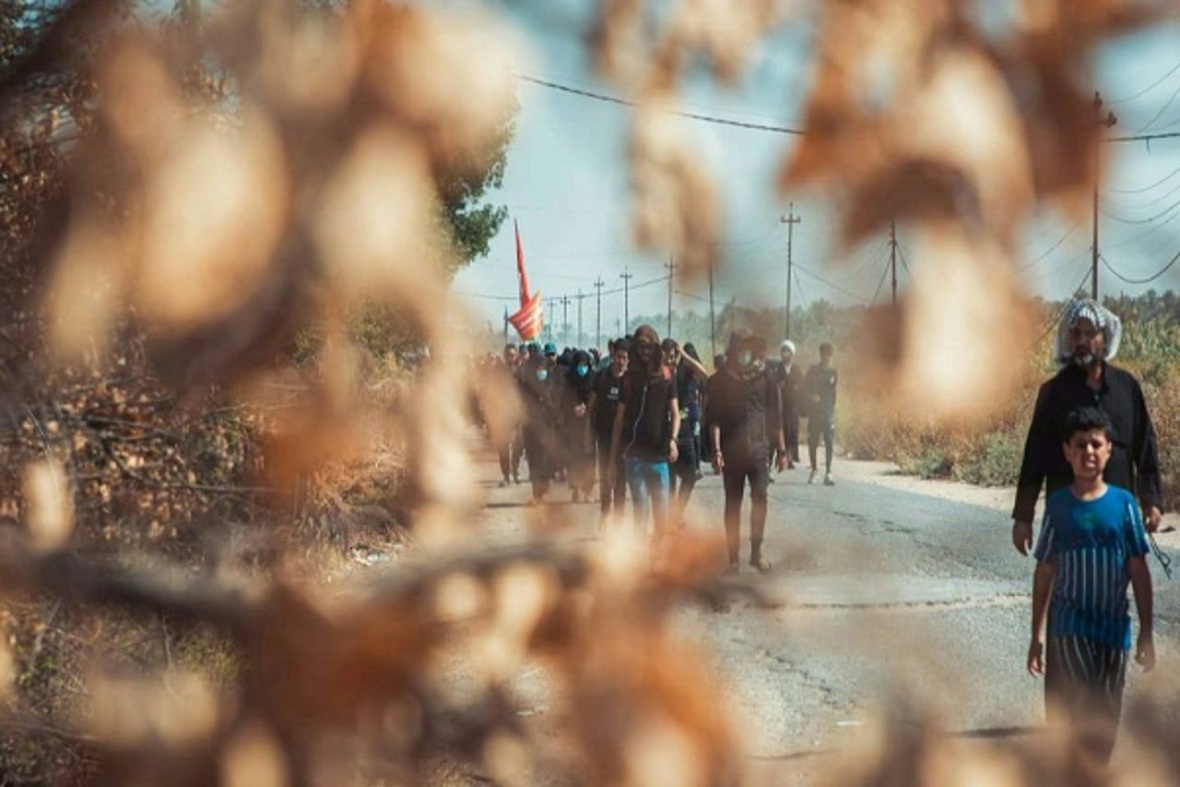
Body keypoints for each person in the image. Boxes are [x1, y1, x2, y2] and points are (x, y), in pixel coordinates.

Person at [1027, 406, 1154, 778]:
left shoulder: (1124, 504)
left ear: (1109, 449)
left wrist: (1147, 631)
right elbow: (1045, 569)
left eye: (1096, 444)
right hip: (1071, 627)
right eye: (1080, 445)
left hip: (1114, 628)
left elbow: (1138, 569)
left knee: (1108, 714)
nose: (1089, 452)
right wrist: (1037, 635)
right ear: (1067, 451)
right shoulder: (1058, 506)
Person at [1012, 299, 1163, 555]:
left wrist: (1151, 501)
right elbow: (1034, 456)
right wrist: (1023, 517)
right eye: (1076, 334)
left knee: (1118, 575)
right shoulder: (1054, 392)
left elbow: (1145, 445)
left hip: (1116, 515)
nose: (1082, 341)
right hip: (1069, 518)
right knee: (1068, 577)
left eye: (1090, 333)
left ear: (1105, 338)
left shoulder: (1127, 388)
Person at [706, 331, 786, 573]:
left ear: (754, 350)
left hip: (759, 451)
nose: (743, 354)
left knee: (760, 500)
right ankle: (733, 559)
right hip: (731, 453)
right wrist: (716, 451)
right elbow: (714, 420)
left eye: (747, 349)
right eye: (739, 349)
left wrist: (782, 450)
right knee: (733, 505)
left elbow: (776, 416)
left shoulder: (766, 376)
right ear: (733, 352)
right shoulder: (722, 380)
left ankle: (756, 553)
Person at [610, 324, 679, 539]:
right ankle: (641, 557)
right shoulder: (628, 379)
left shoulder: (667, 377)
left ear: (656, 349)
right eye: (641, 348)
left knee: (662, 518)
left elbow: (675, 414)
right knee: (640, 514)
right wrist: (613, 457)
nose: (645, 353)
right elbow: (619, 419)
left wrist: (673, 440)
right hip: (634, 458)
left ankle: (657, 554)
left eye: (649, 348)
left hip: (659, 457)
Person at [663, 337, 708, 527]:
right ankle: (670, 517)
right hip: (665, 433)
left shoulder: (684, 372)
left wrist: (683, 354)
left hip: (686, 431)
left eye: (674, 356)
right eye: (667, 356)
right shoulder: (659, 374)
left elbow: (703, 373)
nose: (671, 359)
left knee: (690, 476)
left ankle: (677, 512)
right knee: (670, 480)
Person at [586, 339, 629, 522]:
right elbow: (591, 406)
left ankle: (619, 518)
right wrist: (587, 432)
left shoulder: (630, 380)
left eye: (624, 358)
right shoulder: (601, 377)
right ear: (612, 355)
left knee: (621, 478)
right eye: (618, 357)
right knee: (605, 475)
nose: (621, 361)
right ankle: (605, 512)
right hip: (604, 434)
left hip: (624, 438)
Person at [518, 349, 560, 505]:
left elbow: (557, 403)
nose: (541, 371)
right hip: (531, 429)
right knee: (534, 461)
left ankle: (544, 489)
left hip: (548, 428)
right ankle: (537, 494)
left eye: (543, 368)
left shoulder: (552, 383)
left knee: (547, 460)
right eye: (538, 368)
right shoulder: (525, 385)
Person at [560, 349, 597, 503]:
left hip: (589, 426)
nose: (582, 368)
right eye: (579, 365)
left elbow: (597, 400)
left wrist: (588, 409)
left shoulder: (593, 379)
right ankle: (575, 489)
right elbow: (563, 401)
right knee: (574, 458)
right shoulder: (569, 380)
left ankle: (587, 491)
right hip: (572, 425)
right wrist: (573, 408)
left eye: (585, 365)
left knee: (588, 458)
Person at [804, 342, 838, 485]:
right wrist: (811, 397)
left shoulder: (833, 373)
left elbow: (834, 392)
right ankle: (814, 470)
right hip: (815, 412)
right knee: (813, 441)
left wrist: (833, 409)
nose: (826, 358)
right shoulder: (813, 371)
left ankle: (828, 472)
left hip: (827, 412)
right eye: (824, 355)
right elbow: (804, 390)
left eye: (829, 355)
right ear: (820, 355)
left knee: (829, 442)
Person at [496, 343, 524, 486]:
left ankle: (515, 469)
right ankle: (506, 475)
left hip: (518, 414)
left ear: (516, 355)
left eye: (512, 355)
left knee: (518, 445)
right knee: (503, 447)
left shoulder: (522, 371)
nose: (510, 358)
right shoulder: (498, 372)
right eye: (508, 355)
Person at [776, 339, 804, 470]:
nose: (785, 354)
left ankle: (791, 458)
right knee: (783, 431)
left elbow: (801, 385)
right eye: (783, 351)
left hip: (793, 406)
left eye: (788, 352)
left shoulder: (796, 369)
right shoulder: (777, 368)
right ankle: (782, 457)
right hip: (781, 405)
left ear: (792, 354)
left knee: (793, 432)